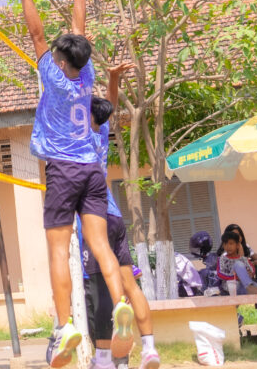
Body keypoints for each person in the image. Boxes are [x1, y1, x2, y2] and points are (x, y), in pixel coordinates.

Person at [14, 0, 134, 367]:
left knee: (58, 249)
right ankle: (120, 304)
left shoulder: (54, 75)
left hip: (64, 170)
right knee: (100, 246)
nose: (53, 53)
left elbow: (36, 32)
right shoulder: (87, 74)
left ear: (62, 63)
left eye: (57, 54)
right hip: (92, 171)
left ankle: (64, 327)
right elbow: (78, 30)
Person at [81, 64, 160, 369]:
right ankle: (149, 348)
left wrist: (78, 61)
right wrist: (113, 78)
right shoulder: (100, 134)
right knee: (130, 284)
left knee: (99, 290)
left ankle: (103, 359)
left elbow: (77, 99)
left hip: (95, 220)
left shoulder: (77, 140)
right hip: (114, 215)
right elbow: (108, 107)